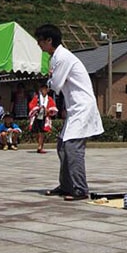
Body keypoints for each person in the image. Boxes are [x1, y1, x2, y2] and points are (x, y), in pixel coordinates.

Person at [35, 24, 104, 201]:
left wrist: (49, 80)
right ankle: (66, 185)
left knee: (73, 148)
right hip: (75, 109)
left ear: (49, 41)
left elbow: (56, 85)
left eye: (40, 41)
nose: (38, 44)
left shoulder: (63, 57)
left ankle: (80, 189)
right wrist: (51, 77)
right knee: (62, 147)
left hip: (82, 108)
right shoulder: (56, 57)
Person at [29, 83, 58, 154]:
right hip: (37, 116)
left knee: (42, 132)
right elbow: (31, 105)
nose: (44, 90)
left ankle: (40, 147)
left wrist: (48, 110)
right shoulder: (36, 98)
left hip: (45, 117)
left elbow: (53, 107)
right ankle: (39, 144)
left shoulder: (49, 99)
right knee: (36, 132)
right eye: (43, 89)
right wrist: (37, 109)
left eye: (45, 89)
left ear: (47, 90)